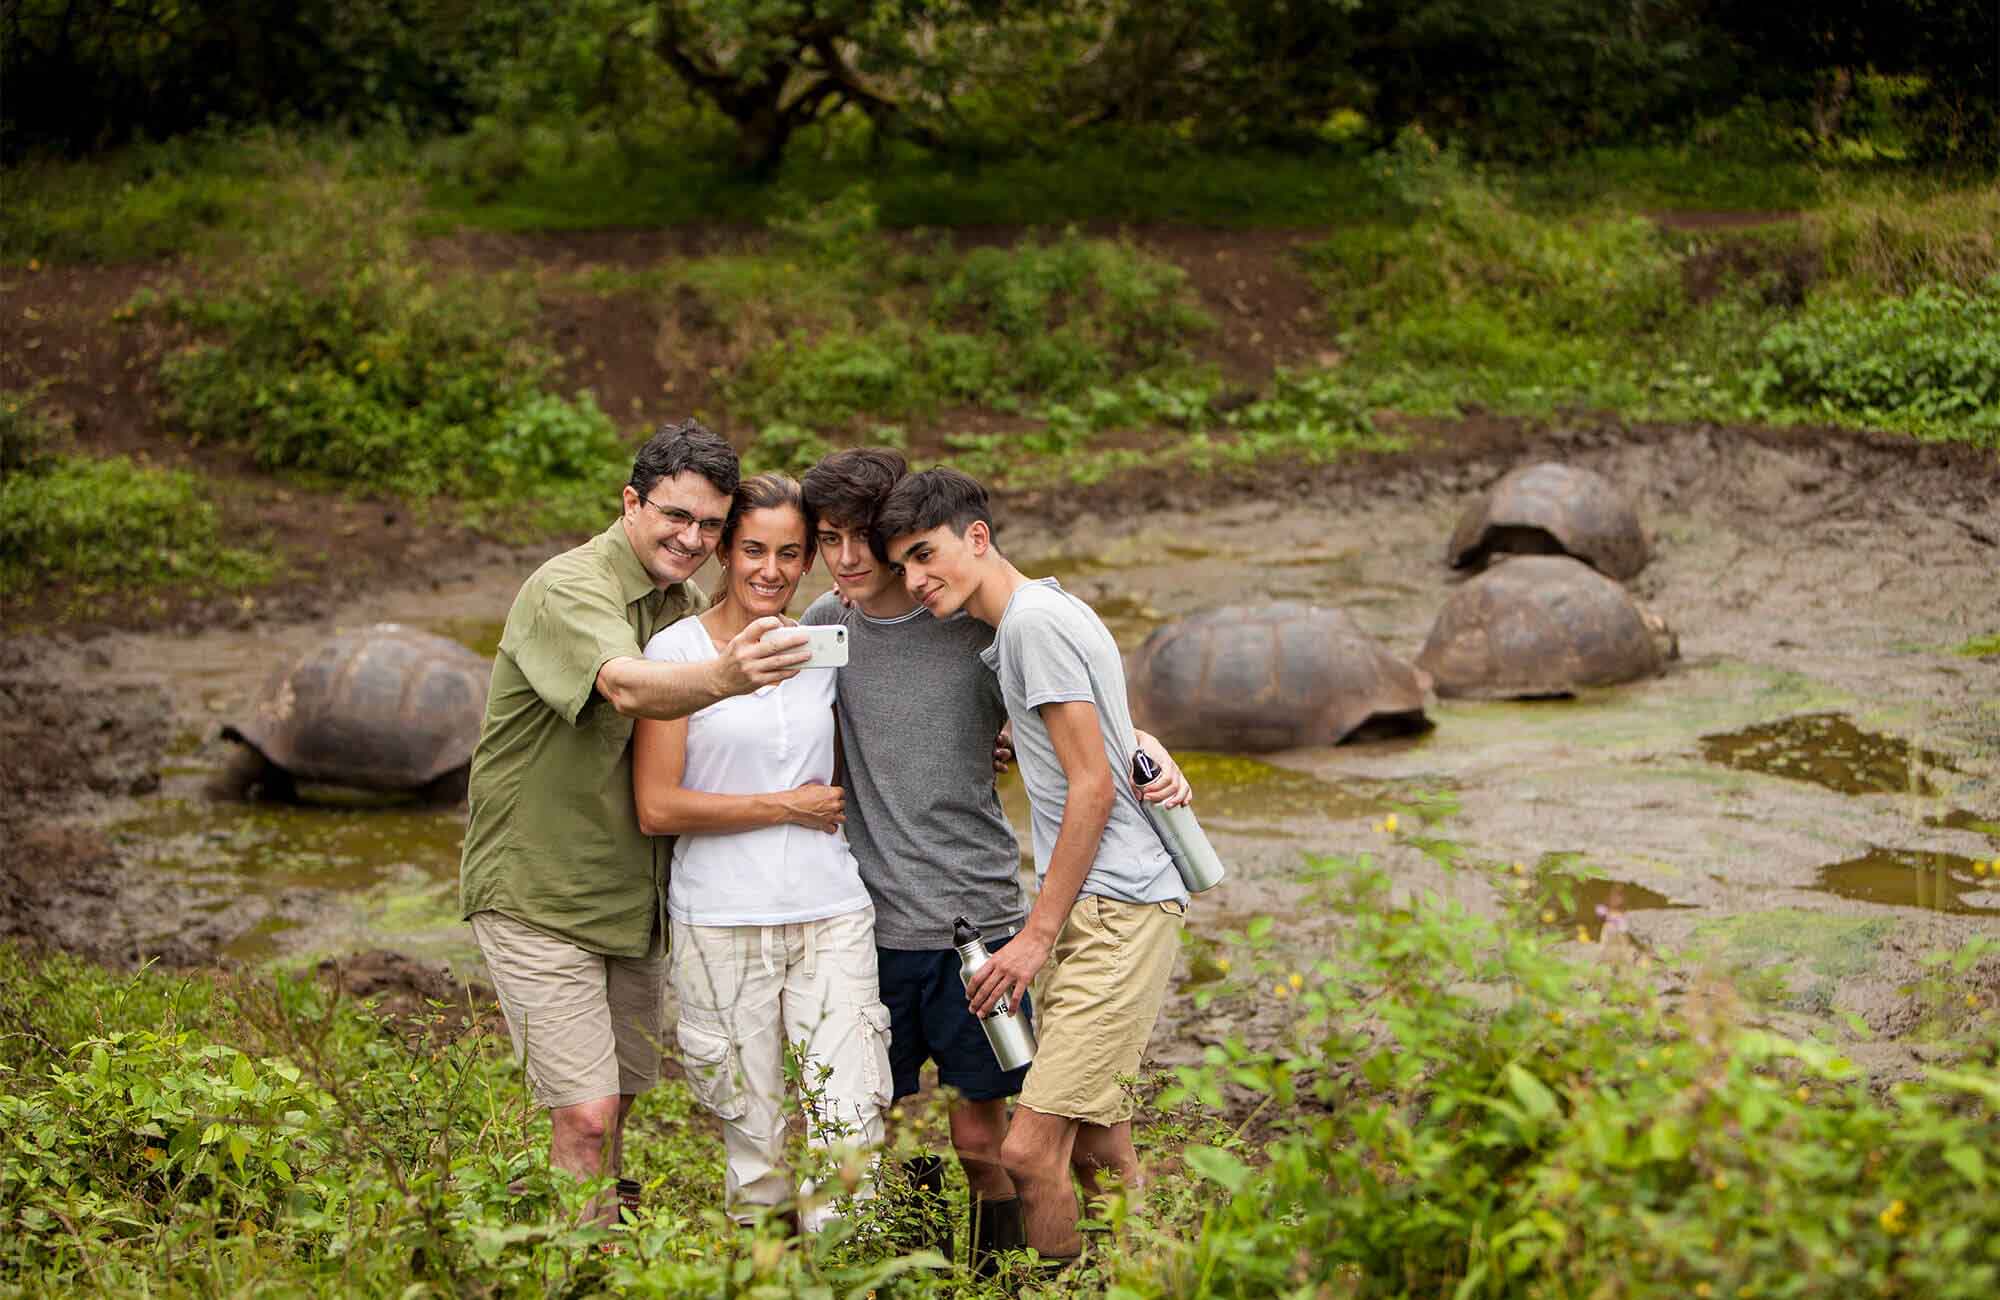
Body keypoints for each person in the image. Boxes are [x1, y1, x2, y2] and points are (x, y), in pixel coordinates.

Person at [797, 448, 1192, 1272]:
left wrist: (1143, 745)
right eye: (828, 540)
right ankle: (921, 1269)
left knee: (1004, 1136)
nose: (852, 560)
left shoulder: (978, 625)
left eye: (874, 541)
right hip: (869, 922)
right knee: (873, 1122)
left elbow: (1080, 724)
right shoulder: (824, 631)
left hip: (984, 920)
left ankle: (1009, 1275)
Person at [459, 421, 810, 1222]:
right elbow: (625, 684)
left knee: (610, 1111)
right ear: (631, 503)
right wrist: (725, 675)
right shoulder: (568, 588)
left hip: (631, 898)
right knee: (583, 1116)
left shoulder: (684, 604)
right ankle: (575, 1260)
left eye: (709, 526)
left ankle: (588, 1251)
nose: (690, 538)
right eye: (674, 516)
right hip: (539, 890)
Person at [632, 472, 890, 1234]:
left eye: (789, 552)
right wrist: (786, 806)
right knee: (754, 1141)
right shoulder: (674, 651)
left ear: (810, 558)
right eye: (752, 550)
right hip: (719, 919)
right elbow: (656, 805)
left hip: (831, 914)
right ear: (724, 550)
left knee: (852, 1130)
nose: (769, 570)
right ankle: (766, 1276)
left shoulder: (823, 647)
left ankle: (852, 1279)